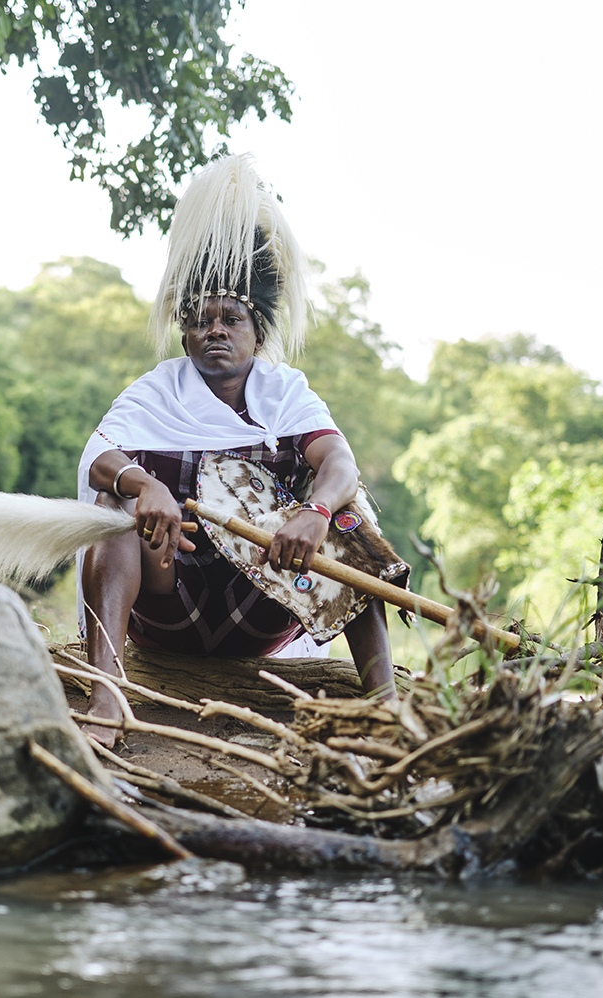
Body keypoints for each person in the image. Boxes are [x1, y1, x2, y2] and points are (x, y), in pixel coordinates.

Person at [75, 155, 397, 746]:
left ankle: (388, 704)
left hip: (269, 595)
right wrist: (145, 487)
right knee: (112, 515)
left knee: (352, 517)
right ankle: (106, 695)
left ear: (257, 330)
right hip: (170, 601)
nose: (215, 330)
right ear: (186, 333)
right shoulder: (156, 391)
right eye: (201, 321)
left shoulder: (285, 392)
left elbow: (340, 465)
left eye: (231, 318)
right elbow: (100, 456)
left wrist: (315, 513)